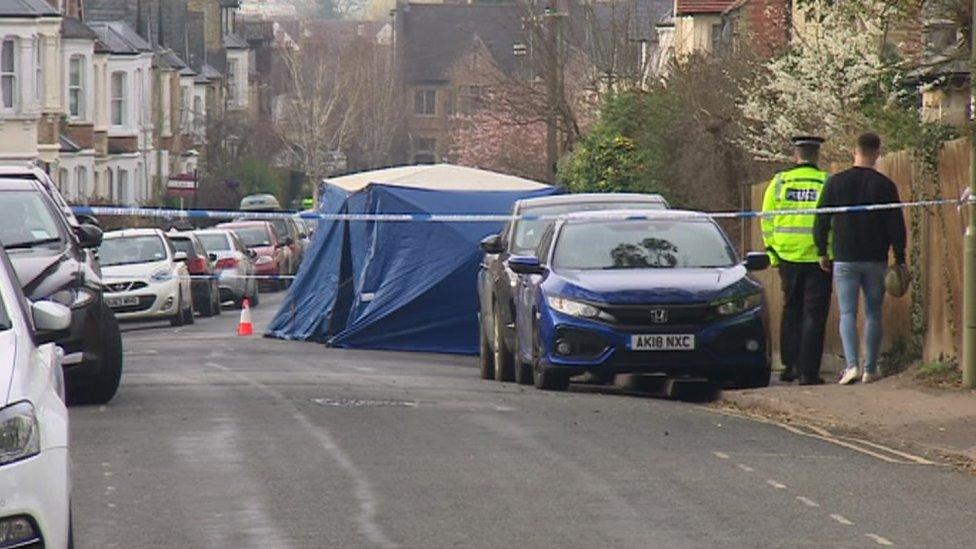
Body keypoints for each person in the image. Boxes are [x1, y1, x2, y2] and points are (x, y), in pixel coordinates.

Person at [814, 132, 907, 385]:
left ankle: (851, 364)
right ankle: (870, 367)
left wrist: (821, 250)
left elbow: (821, 219)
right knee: (873, 313)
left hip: (844, 258)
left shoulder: (835, 183)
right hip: (875, 259)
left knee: (847, 313)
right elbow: (896, 225)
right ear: (877, 153)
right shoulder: (885, 185)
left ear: (854, 152)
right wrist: (899, 257)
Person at [761, 136, 832, 385]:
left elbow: (766, 219)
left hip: (787, 257)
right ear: (817, 156)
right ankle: (808, 372)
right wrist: (828, 253)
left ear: (796, 155)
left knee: (791, 310)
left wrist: (773, 254)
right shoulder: (825, 182)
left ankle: (789, 367)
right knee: (814, 314)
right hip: (818, 258)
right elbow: (832, 222)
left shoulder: (779, 182)